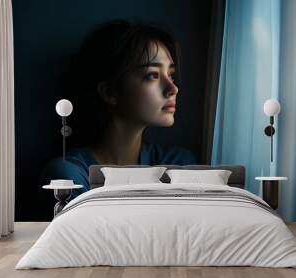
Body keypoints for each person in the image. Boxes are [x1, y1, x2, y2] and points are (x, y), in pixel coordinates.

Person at [40, 20, 197, 199]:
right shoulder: (70, 174)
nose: (173, 89)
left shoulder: (177, 164)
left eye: (171, 75)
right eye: (152, 75)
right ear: (109, 92)